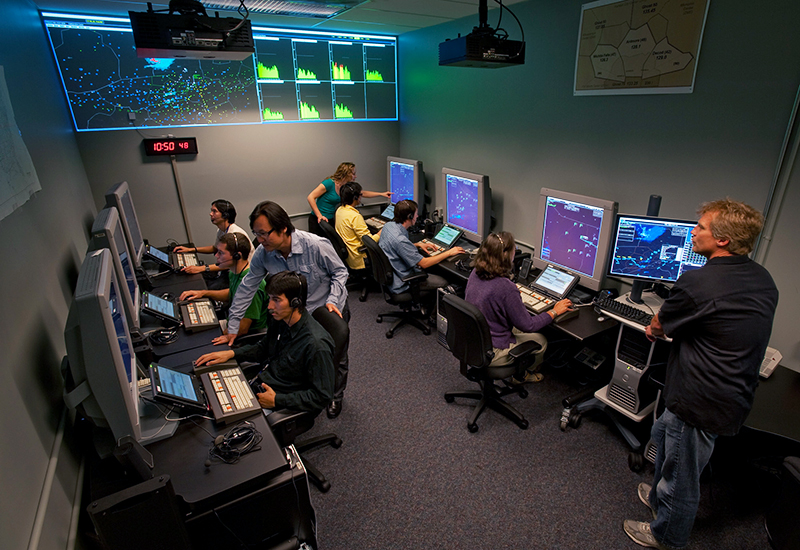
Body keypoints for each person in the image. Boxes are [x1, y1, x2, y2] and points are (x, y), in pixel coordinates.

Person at [623, 199, 778, 550]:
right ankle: (663, 501)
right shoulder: (762, 278)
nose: (693, 232)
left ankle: (668, 535)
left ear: (722, 239)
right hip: (731, 393)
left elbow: (659, 325)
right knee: (663, 434)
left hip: (699, 397)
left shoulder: (698, 282)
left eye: (701, 227)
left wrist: (654, 327)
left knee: (681, 478)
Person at [220, 200, 350, 419]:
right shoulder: (264, 252)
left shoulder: (315, 245)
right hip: (293, 315)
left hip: (325, 306)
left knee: (333, 357)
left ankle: (334, 396)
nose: (259, 240)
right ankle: (303, 395)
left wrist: (333, 301)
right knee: (297, 355)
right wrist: (233, 326)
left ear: (283, 228)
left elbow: (340, 272)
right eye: (256, 234)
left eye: (263, 234)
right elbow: (247, 287)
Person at [194, 271, 335, 413]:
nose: (269, 306)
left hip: (278, 400)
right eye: (270, 299)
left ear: (295, 302)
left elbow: (322, 396)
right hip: (262, 381)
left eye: (277, 300)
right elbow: (262, 348)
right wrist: (231, 354)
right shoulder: (280, 320)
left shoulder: (316, 345)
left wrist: (276, 400)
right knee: (208, 392)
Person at [464, 232, 573, 383]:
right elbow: (529, 325)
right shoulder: (505, 287)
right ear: (506, 254)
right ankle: (521, 375)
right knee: (540, 340)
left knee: (518, 327)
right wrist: (554, 311)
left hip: (472, 340)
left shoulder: (476, 271)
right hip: (492, 350)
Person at [179, 232, 270, 339]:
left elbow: (242, 328)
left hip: (245, 337)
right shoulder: (235, 271)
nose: (216, 255)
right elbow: (232, 293)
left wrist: (211, 337)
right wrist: (203, 293)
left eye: (221, 253)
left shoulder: (251, 286)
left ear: (237, 256)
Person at [379, 199, 464, 311]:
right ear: (409, 216)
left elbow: (396, 247)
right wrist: (449, 252)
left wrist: (417, 245)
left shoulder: (389, 226)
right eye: (416, 213)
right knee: (444, 282)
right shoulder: (400, 240)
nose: (417, 216)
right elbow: (424, 263)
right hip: (403, 281)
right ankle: (433, 317)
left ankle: (425, 306)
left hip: (392, 275)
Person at [307, 162, 391, 235]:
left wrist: (381, 194)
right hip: (317, 219)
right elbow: (311, 197)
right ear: (346, 174)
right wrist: (319, 216)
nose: (356, 176)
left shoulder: (345, 186)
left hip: (329, 219)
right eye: (353, 174)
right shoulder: (329, 183)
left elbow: (362, 193)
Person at [173, 199, 253, 275]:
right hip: (230, 270)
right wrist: (190, 250)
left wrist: (202, 268)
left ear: (225, 215)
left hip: (242, 273)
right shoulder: (221, 230)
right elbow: (215, 248)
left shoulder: (234, 234)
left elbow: (230, 262)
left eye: (214, 211)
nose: (210, 214)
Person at [335, 181, 380, 271]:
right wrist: (382, 231)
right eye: (360, 195)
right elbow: (369, 241)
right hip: (359, 260)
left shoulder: (340, 210)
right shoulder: (355, 216)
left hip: (349, 257)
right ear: (355, 197)